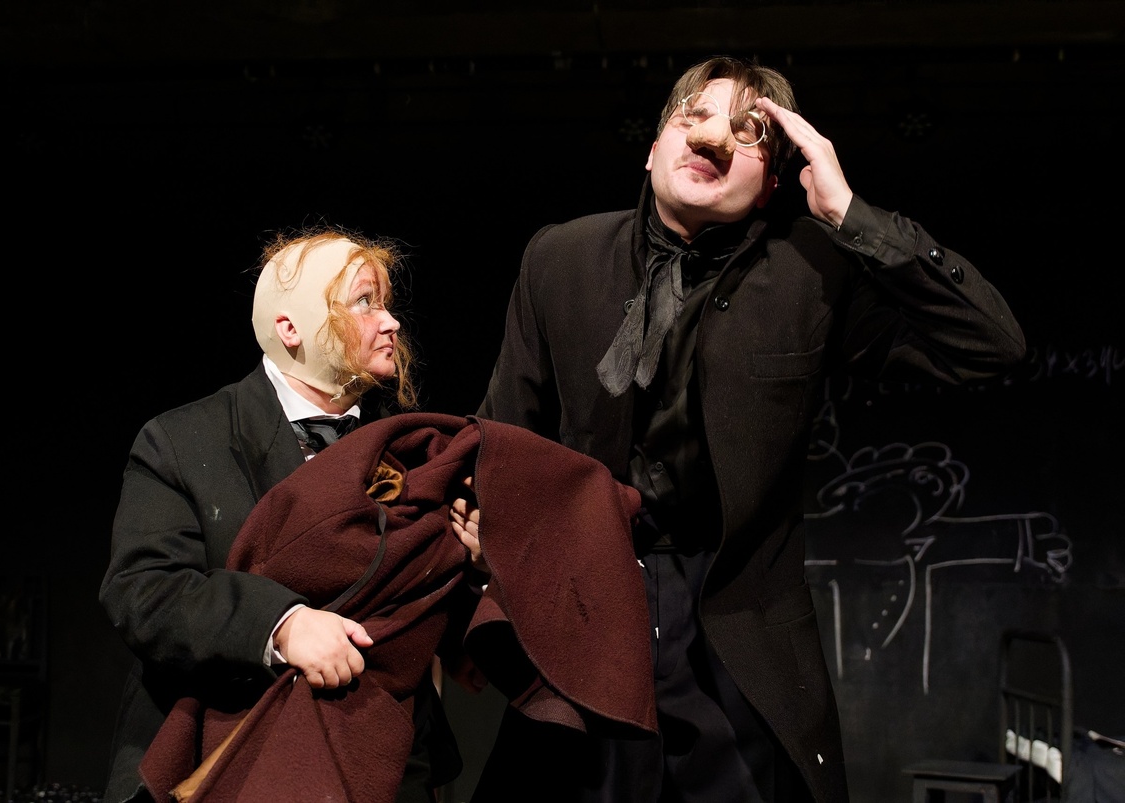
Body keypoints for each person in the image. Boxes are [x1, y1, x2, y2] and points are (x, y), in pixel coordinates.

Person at [470, 55, 1027, 803]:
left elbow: (992, 345)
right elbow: (499, 444)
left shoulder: (810, 271)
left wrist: (850, 215)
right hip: (584, 620)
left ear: (772, 184)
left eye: (747, 132)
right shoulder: (561, 258)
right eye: (693, 117)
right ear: (652, 149)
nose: (711, 139)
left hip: (735, 632)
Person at [99, 226, 471, 803]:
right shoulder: (183, 440)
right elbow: (144, 591)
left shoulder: (409, 450)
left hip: (384, 759)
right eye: (364, 302)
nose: (391, 322)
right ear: (290, 329)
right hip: (228, 746)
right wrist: (281, 625)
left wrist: (473, 565)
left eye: (386, 304)